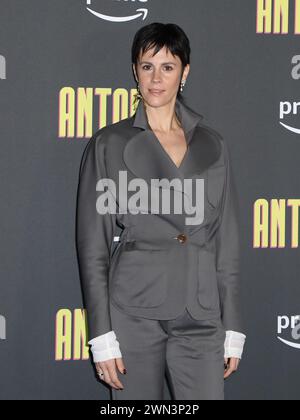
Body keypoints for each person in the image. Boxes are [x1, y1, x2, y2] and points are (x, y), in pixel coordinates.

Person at [76, 22, 246, 400]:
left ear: (185, 72)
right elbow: (94, 247)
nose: (156, 78)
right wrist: (101, 334)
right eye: (147, 66)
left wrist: (232, 324)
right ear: (134, 71)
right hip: (133, 313)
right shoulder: (109, 144)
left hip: (201, 315)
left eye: (167, 67)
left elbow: (228, 240)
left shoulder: (212, 143)